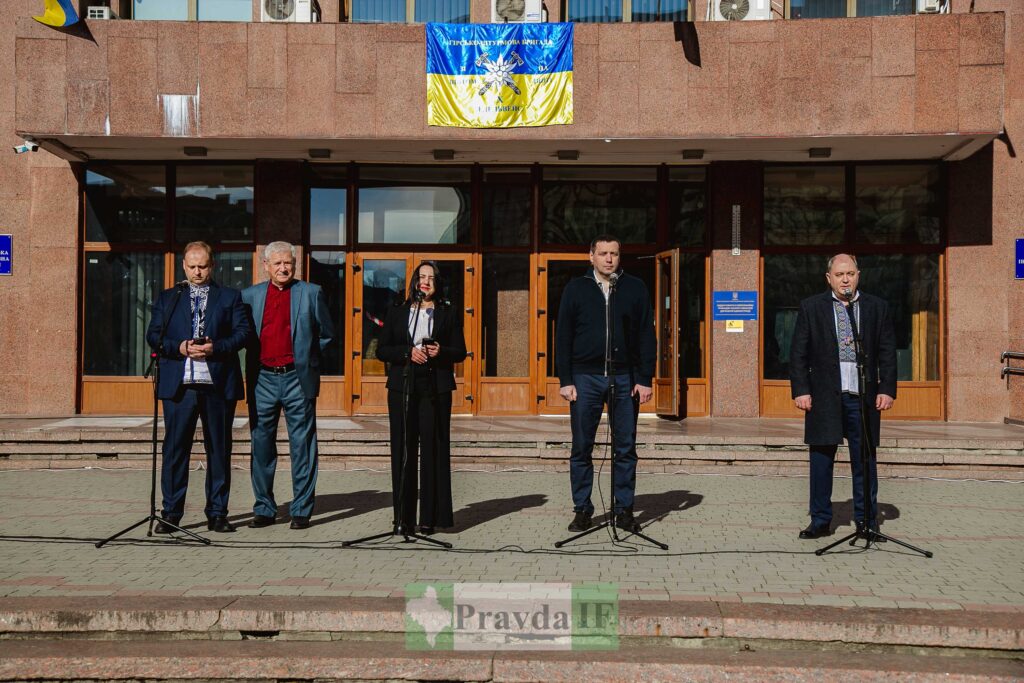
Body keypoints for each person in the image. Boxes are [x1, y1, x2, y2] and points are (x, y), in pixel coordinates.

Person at [790, 253, 897, 540]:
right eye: (839, 275)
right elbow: (798, 353)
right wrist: (801, 390)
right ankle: (820, 521)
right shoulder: (811, 307)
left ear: (858, 275)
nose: (845, 279)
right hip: (824, 397)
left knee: (864, 461)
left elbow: (887, 351)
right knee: (821, 461)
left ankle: (866, 521)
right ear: (829, 279)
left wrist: (886, 388)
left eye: (850, 273)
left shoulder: (876, 307)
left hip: (863, 397)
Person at [146, 241, 250, 534]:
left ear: (212, 265)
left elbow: (243, 334)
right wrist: (178, 347)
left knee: (219, 449)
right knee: (175, 449)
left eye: (202, 266)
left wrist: (215, 348)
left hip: (217, 385)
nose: (197, 272)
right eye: (191, 266)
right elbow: (153, 335)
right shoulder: (169, 298)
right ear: (183, 266)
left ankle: (217, 513)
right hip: (180, 387)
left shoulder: (230, 297)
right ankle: (171, 513)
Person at [556, 235, 656, 534]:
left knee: (625, 448)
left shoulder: (634, 287)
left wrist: (644, 378)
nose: (609, 259)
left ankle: (624, 509)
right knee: (582, 447)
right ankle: (583, 509)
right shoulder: (576, 288)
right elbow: (563, 336)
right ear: (591, 256)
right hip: (585, 378)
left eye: (614, 253)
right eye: (603, 253)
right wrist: (566, 380)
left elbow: (645, 335)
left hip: (624, 378)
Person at [241, 241, 335, 530]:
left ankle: (302, 509)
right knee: (261, 445)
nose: (284, 268)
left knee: (303, 446)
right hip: (263, 379)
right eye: (278, 263)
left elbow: (326, 335)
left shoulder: (310, 293)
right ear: (265, 265)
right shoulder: (249, 296)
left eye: (289, 263)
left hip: (297, 377)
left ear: (295, 265)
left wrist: (308, 361)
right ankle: (264, 509)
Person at [376, 261, 467, 534]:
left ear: (437, 284)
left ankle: (429, 517)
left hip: (435, 387)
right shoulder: (398, 311)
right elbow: (382, 350)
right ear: (414, 282)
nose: (425, 282)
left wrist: (441, 351)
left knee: (432, 451)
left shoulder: (447, 313)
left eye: (431, 278)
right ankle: (403, 519)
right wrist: (407, 353)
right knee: (403, 451)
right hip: (403, 386)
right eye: (421, 277)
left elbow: (460, 351)